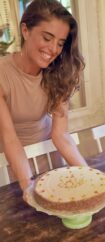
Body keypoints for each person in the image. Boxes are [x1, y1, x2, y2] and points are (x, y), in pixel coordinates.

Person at [0, 0, 87, 192]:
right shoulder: (2, 73)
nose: (54, 49)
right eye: (47, 38)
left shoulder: (59, 72)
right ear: (25, 30)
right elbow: (9, 139)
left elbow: (61, 134)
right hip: (13, 160)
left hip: (47, 151)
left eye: (60, 43)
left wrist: (89, 174)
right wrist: (27, 185)